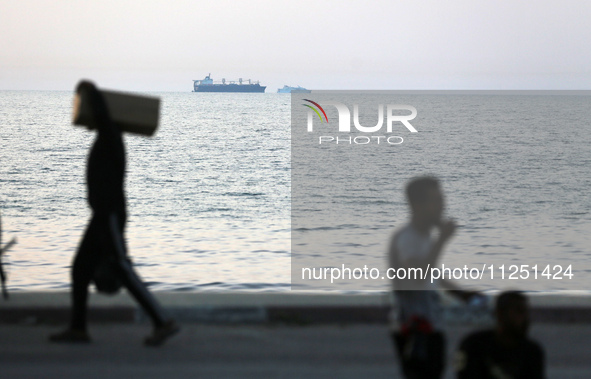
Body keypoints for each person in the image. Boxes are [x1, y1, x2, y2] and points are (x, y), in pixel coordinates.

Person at [50, 81, 179, 346]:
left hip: (109, 215)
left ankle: (163, 321)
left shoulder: (111, 135)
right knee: (80, 269)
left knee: (121, 267)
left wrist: (89, 88)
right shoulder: (106, 137)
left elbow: (101, 113)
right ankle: (78, 329)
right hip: (101, 215)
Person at [388, 176, 478, 379]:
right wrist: (442, 240)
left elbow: (429, 271)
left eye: (442, 199)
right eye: (436, 200)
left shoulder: (423, 236)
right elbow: (417, 276)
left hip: (428, 324)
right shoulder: (408, 239)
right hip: (414, 329)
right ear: (417, 205)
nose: (442, 205)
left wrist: (459, 294)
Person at [455, 291, 545, 379]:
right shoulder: (474, 345)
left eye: (526, 312)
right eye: (519, 311)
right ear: (500, 313)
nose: (525, 318)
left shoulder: (532, 352)